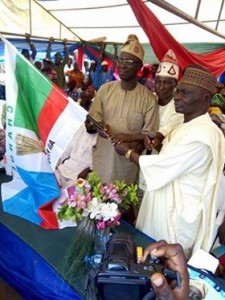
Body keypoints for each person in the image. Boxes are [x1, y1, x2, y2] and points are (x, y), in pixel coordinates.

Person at [114, 64, 225, 258]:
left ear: (205, 98)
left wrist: (128, 152)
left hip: (177, 216)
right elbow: (171, 158)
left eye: (185, 93)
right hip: (163, 204)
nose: (176, 96)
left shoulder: (204, 134)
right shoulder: (184, 125)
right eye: (178, 91)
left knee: (165, 262)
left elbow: (164, 166)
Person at [89, 34, 159, 184]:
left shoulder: (148, 98)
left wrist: (130, 152)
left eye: (129, 61)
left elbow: (149, 136)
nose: (122, 65)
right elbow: (93, 120)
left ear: (139, 67)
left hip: (126, 168)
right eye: (120, 60)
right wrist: (96, 126)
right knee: (95, 203)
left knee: (123, 205)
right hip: (102, 159)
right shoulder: (105, 89)